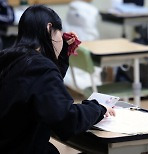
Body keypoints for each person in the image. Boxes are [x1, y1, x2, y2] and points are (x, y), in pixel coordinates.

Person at [0, 5, 115, 154]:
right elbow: (67, 120)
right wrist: (98, 108)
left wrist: (62, 53)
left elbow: (46, 92)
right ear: (49, 28)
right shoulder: (40, 67)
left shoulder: (9, 58)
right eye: (60, 32)